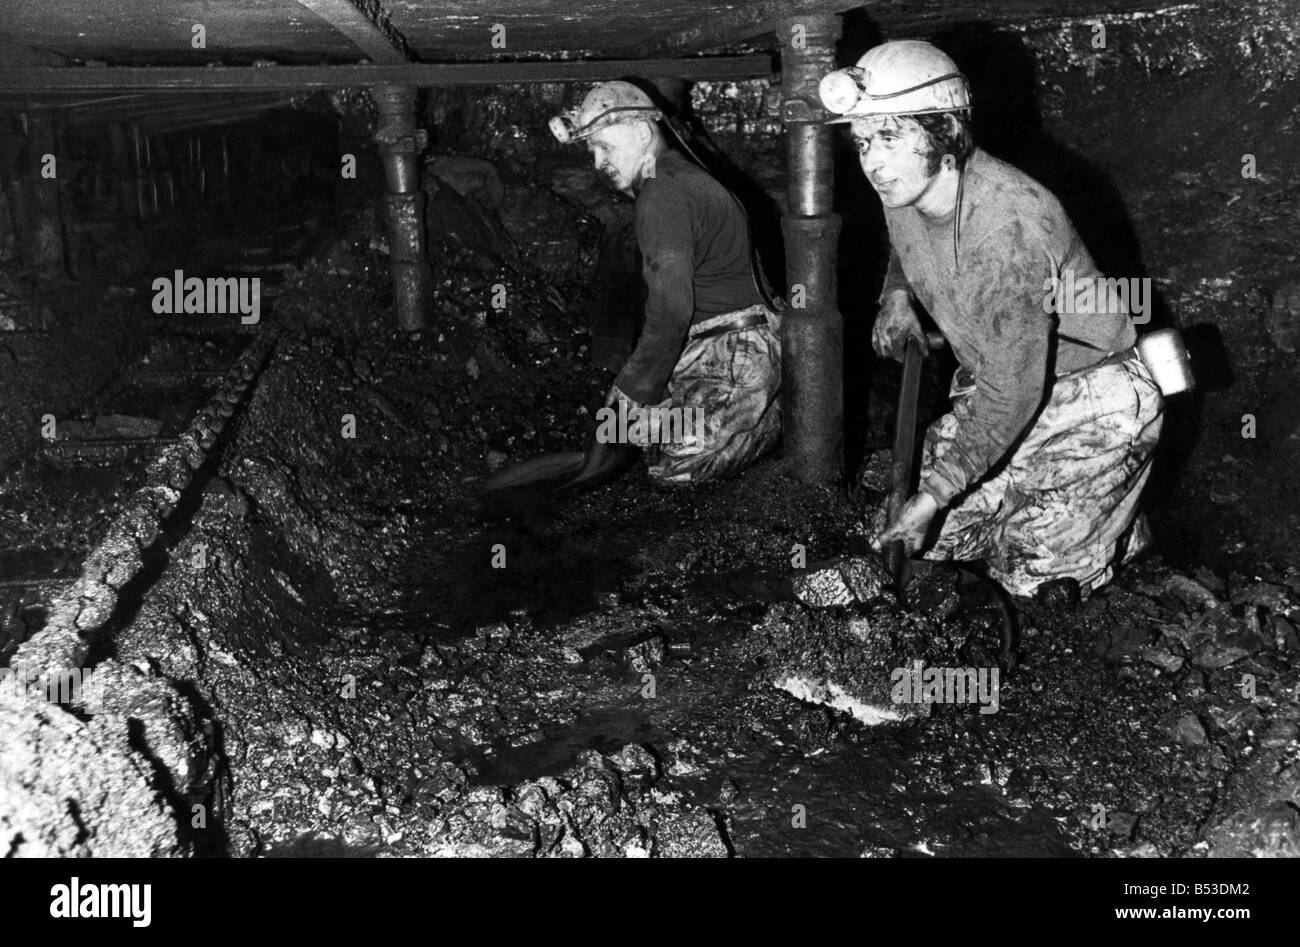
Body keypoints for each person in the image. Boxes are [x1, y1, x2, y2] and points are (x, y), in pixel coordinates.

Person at [819, 40, 1163, 597]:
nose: (873, 162)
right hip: (1002, 379)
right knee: (929, 543)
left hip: (1093, 394)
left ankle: (1114, 520)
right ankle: (1075, 504)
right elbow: (905, 241)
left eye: (889, 136)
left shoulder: (1007, 230)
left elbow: (1010, 393)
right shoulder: (906, 184)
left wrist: (934, 493)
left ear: (943, 133)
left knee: (1027, 578)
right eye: (862, 141)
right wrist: (898, 294)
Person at [550, 80, 782, 485]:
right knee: (635, 434)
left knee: (673, 469)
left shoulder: (662, 194)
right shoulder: (675, 176)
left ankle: (779, 414)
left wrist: (633, 387)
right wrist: (636, 396)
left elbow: (672, 307)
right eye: (592, 151)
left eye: (604, 146)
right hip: (715, 344)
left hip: (738, 351)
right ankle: (749, 409)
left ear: (642, 134)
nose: (597, 162)